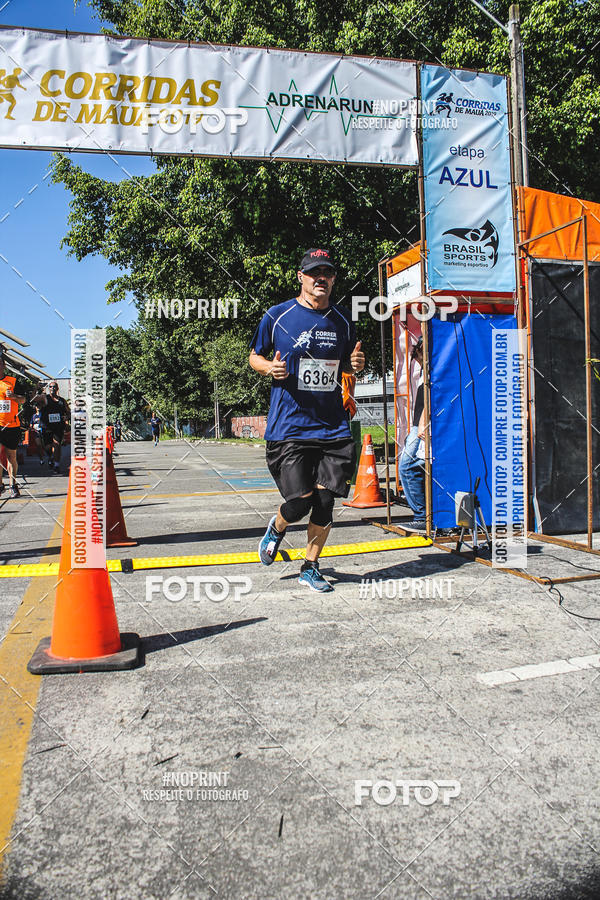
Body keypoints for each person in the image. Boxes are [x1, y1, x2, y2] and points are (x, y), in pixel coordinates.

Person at [250, 247, 365, 592]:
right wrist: (269, 367)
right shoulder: (277, 316)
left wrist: (356, 366)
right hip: (290, 427)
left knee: (326, 501)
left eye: (327, 273)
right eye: (314, 273)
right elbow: (254, 356)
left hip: (332, 427)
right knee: (300, 502)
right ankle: (278, 527)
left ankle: (310, 566)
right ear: (301, 277)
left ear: (333, 279)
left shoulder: (343, 319)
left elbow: (348, 364)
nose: (321, 279)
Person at [398, 337, 427, 533]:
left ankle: (422, 516)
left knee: (407, 467)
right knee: (413, 467)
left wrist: (422, 422)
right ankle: (424, 515)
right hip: (418, 424)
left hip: (421, 425)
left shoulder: (435, 366)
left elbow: (431, 395)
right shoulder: (425, 369)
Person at [0, 350, 26, 498]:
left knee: (11, 457)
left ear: (3, 366)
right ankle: (0, 485)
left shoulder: (13, 381)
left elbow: (23, 400)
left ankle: (13, 484)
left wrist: (14, 396)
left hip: (12, 425)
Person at [31, 381, 70, 474]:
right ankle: (50, 456)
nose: (53, 388)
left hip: (58, 426)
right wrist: (36, 387)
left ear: (57, 388)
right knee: (47, 447)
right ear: (49, 389)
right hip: (46, 426)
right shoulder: (45, 398)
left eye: (54, 387)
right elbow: (33, 399)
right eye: (51, 387)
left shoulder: (62, 401)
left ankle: (56, 465)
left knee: (57, 444)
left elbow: (68, 412)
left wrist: (67, 417)